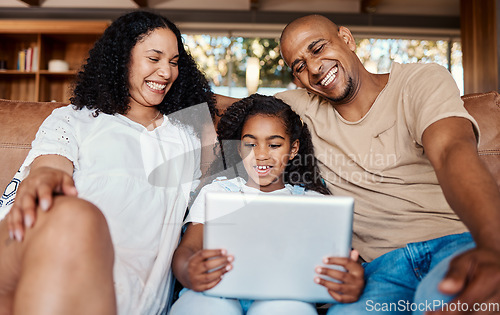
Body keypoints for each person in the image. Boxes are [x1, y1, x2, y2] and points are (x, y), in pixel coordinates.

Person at [271, 14, 500, 314]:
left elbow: (450, 150)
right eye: (299, 66)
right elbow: (219, 108)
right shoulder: (299, 108)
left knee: (442, 300)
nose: (313, 69)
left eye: (317, 48)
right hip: (381, 270)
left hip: (454, 245)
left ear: (347, 39)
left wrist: (493, 243)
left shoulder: (420, 80)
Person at [0, 11, 218, 315]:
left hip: (125, 291)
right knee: (76, 215)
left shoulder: (189, 136)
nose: (166, 72)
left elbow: (208, 206)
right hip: (43, 248)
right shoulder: (75, 118)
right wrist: (43, 176)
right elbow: (51, 164)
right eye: (154, 58)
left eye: (174, 62)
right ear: (122, 59)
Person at [169, 94, 364, 315]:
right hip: (214, 293)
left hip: (285, 297)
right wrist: (188, 270)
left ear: (293, 149)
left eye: (274, 145)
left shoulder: (315, 204)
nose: (261, 154)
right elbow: (187, 250)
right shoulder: (217, 192)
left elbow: (340, 264)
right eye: (250, 144)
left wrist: (350, 277)